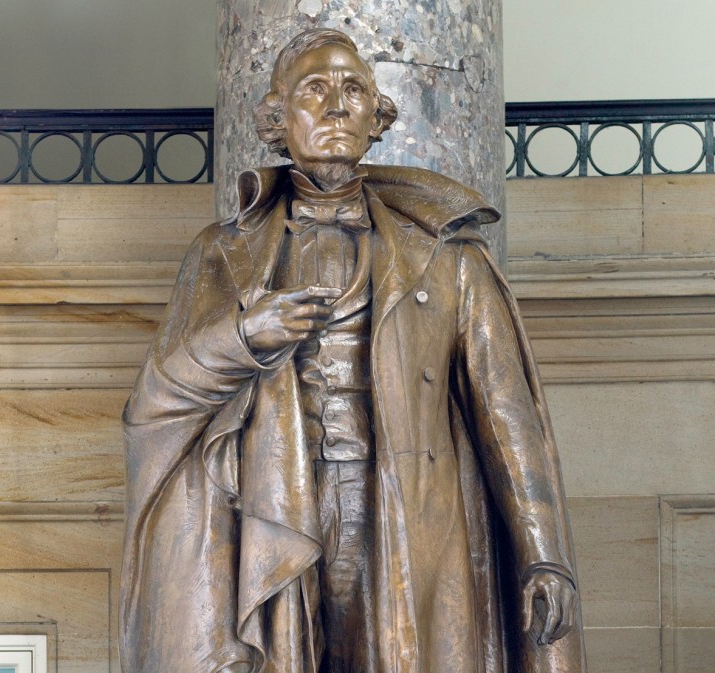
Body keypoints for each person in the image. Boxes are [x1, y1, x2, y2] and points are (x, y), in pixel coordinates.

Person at [120, 28, 586, 673]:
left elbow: (510, 418)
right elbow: (154, 404)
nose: (337, 106)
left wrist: (544, 552)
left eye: (353, 90)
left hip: (411, 507)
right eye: (315, 90)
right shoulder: (221, 253)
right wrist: (244, 335)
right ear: (277, 120)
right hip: (276, 499)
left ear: (378, 116)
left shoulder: (449, 258)